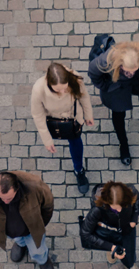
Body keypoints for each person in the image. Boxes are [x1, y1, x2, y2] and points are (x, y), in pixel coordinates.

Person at [30, 63, 96, 195]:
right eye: (57, 90)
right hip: (54, 120)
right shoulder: (38, 89)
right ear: (49, 82)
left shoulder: (75, 79)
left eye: (65, 89)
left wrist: (88, 115)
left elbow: (83, 96)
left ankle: (78, 170)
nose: (62, 92)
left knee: (76, 141)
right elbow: (38, 115)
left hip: (73, 118)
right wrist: (47, 140)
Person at [88, 41, 139, 166]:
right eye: (128, 71)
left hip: (134, 84)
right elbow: (93, 74)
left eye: (134, 70)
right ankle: (123, 144)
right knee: (118, 116)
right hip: (116, 89)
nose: (131, 74)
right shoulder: (104, 61)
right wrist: (107, 87)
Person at [79, 181, 139, 269]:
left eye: (122, 205)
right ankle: (111, 250)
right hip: (109, 231)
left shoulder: (131, 192)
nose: (120, 209)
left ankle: (130, 266)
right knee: (114, 248)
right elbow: (85, 233)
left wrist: (134, 219)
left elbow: (137, 200)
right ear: (107, 202)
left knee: (129, 253)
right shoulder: (97, 209)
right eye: (116, 207)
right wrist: (111, 247)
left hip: (127, 229)